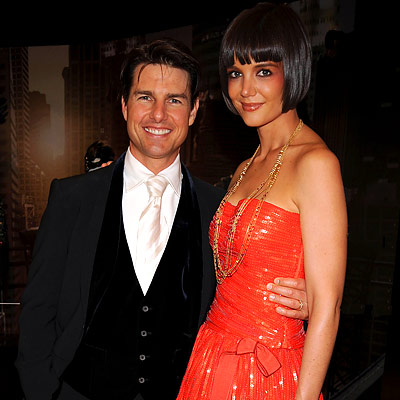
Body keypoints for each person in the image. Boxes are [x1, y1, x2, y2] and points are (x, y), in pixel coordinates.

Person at [16, 38, 309, 400]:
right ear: (124, 105)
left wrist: (305, 301)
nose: (158, 114)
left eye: (174, 100)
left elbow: (246, 293)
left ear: (193, 110)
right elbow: (38, 310)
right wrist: (43, 392)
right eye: (145, 97)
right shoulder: (71, 198)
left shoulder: (219, 209)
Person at [178, 3, 347, 400]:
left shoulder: (315, 164)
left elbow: (328, 306)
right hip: (211, 357)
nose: (245, 90)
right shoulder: (244, 167)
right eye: (236, 73)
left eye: (264, 71)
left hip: (269, 374)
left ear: (294, 70)